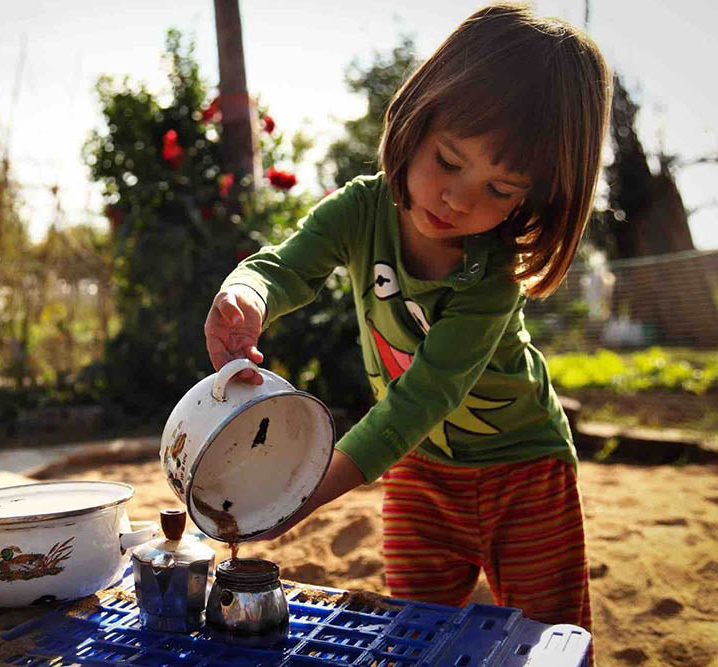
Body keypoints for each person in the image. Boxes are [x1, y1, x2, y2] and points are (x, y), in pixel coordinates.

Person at [203, 1, 611, 658]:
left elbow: (420, 401)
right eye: (449, 159)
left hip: (524, 472)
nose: (459, 198)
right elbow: (285, 266)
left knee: (550, 642)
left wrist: (302, 489)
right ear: (418, 117)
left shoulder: (494, 270)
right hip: (421, 475)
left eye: (500, 189)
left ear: (534, 199)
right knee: (410, 636)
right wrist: (244, 295)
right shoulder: (362, 210)